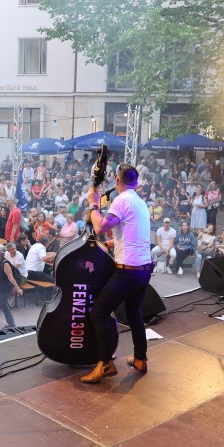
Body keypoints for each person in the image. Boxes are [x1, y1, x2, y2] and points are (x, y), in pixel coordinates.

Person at [81, 164, 152, 383]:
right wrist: (113, 243)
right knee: (134, 313)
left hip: (128, 271)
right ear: (136, 182)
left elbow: (100, 227)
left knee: (99, 312)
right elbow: (131, 234)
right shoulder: (140, 202)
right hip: (144, 268)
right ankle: (140, 359)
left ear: (117, 181)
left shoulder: (122, 200)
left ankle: (105, 364)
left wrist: (93, 205)